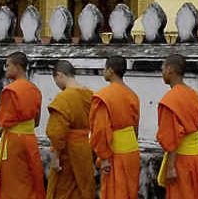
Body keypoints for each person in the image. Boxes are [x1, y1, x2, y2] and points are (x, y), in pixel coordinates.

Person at [0, 51, 46, 199]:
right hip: (30, 138)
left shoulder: (11, 90)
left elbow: (3, 120)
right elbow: (36, 121)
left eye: (8, 65)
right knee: (30, 178)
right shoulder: (34, 89)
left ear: (17, 67)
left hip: (14, 142)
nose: (6, 69)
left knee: (13, 182)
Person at [156, 53, 198, 199]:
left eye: (163, 69)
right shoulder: (195, 95)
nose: (162, 73)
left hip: (181, 160)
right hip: (197, 159)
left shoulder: (170, 100)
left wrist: (171, 166)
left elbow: (172, 137)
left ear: (170, 70)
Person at [91, 56, 141, 199]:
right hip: (132, 152)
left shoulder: (104, 96)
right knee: (130, 192)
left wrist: (104, 157)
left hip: (115, 153)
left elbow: (101, 129)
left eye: (104, 69)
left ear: (111, 71)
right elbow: (135, 127)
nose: (103, 72)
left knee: (114, 193)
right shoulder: (133, 95)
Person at [47, 59, 96, 199]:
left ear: (60, 75)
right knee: (83, 187)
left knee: (63, 190)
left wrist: (55, 157)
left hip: (67, 151)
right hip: (86, 148)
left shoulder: (64, 97)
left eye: (56, 80)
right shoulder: (90, 94)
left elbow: (57, 132)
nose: (57, 85)